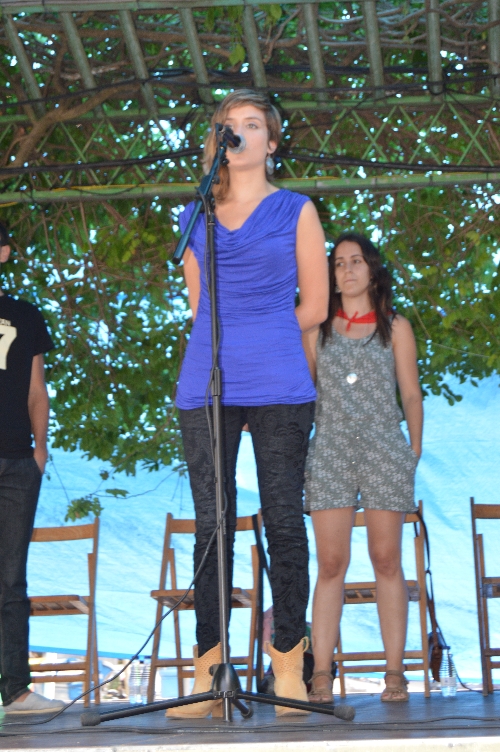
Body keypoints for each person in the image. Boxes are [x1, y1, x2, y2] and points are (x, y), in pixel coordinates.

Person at [170, 89, 328, 718]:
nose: (237, 133)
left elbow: (316, 305)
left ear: (271, 141)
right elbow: (198, 307)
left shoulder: (296, 209)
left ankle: (288, 664)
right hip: (207, 383)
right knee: (212, 522)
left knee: (283, 518)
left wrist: (261, 332)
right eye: (227, 125)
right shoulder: (195, 215)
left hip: (280, 380)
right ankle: (210, 670)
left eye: (252, 124)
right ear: (218, 141)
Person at [303, 233, 423, 704]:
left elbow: (410, 393)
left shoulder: (396, 327)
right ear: (331, 276)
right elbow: (302, 392)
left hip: (383, 449)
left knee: (386, 559)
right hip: (330, 449)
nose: (347, 269)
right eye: (338, 263)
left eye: (356, 261)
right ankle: (320, 674)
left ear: (372, 270)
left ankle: (395, 672)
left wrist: (413, 449)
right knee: (331, 564)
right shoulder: (316, 329)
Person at [0, 223, 64, 714]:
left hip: (19, 461)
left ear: (3, 252)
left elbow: (36, 389)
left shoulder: (25, 315)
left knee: (11, 580)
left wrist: (40, 450)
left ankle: (16, 690)